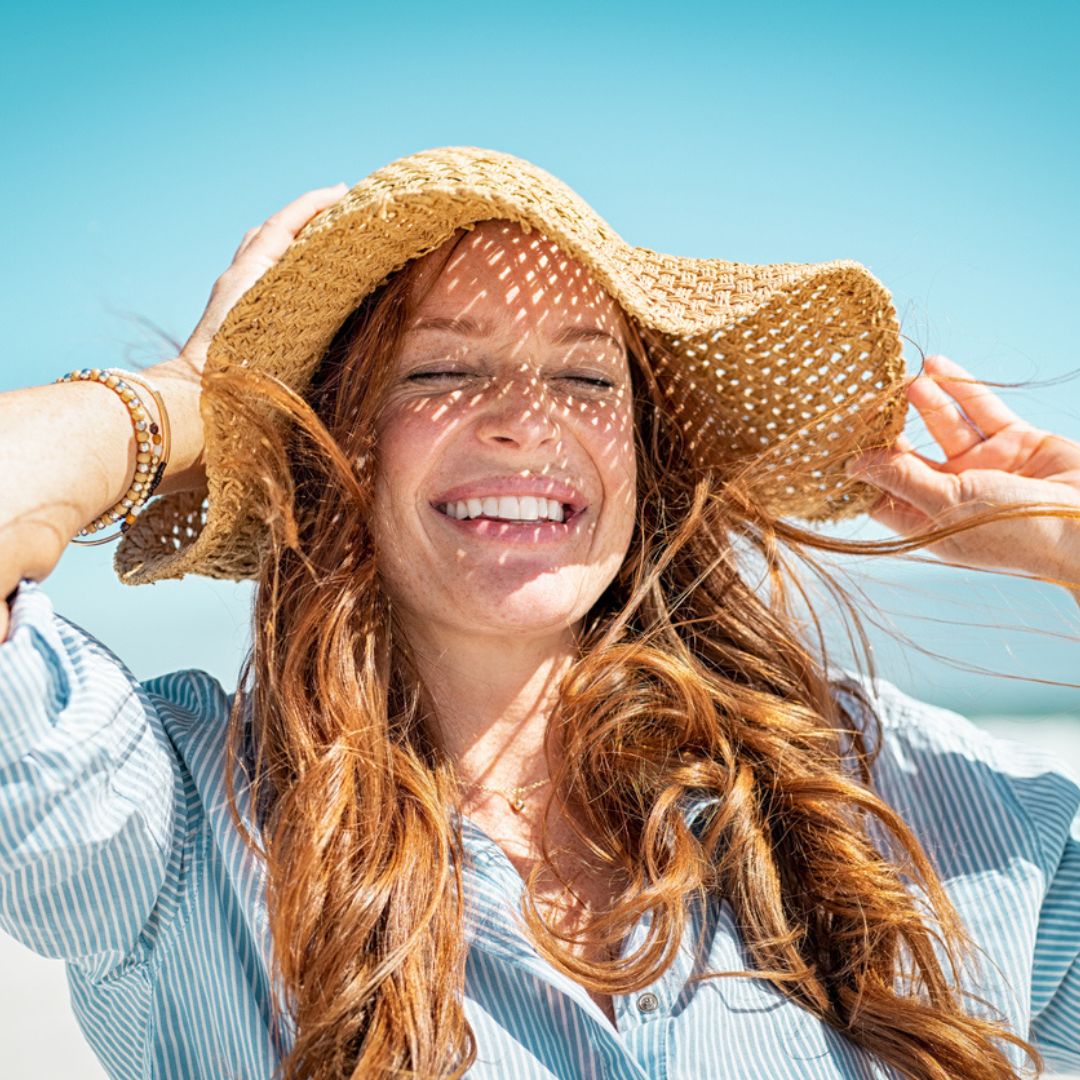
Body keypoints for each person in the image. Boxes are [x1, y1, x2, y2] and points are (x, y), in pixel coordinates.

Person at [0, 147, 1078, 1080]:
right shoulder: (185, 830)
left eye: (588, 377)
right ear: (341, 452)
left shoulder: (869, 793)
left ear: (644, 461)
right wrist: (188, 397)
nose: (525, 419)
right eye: (443, 368)